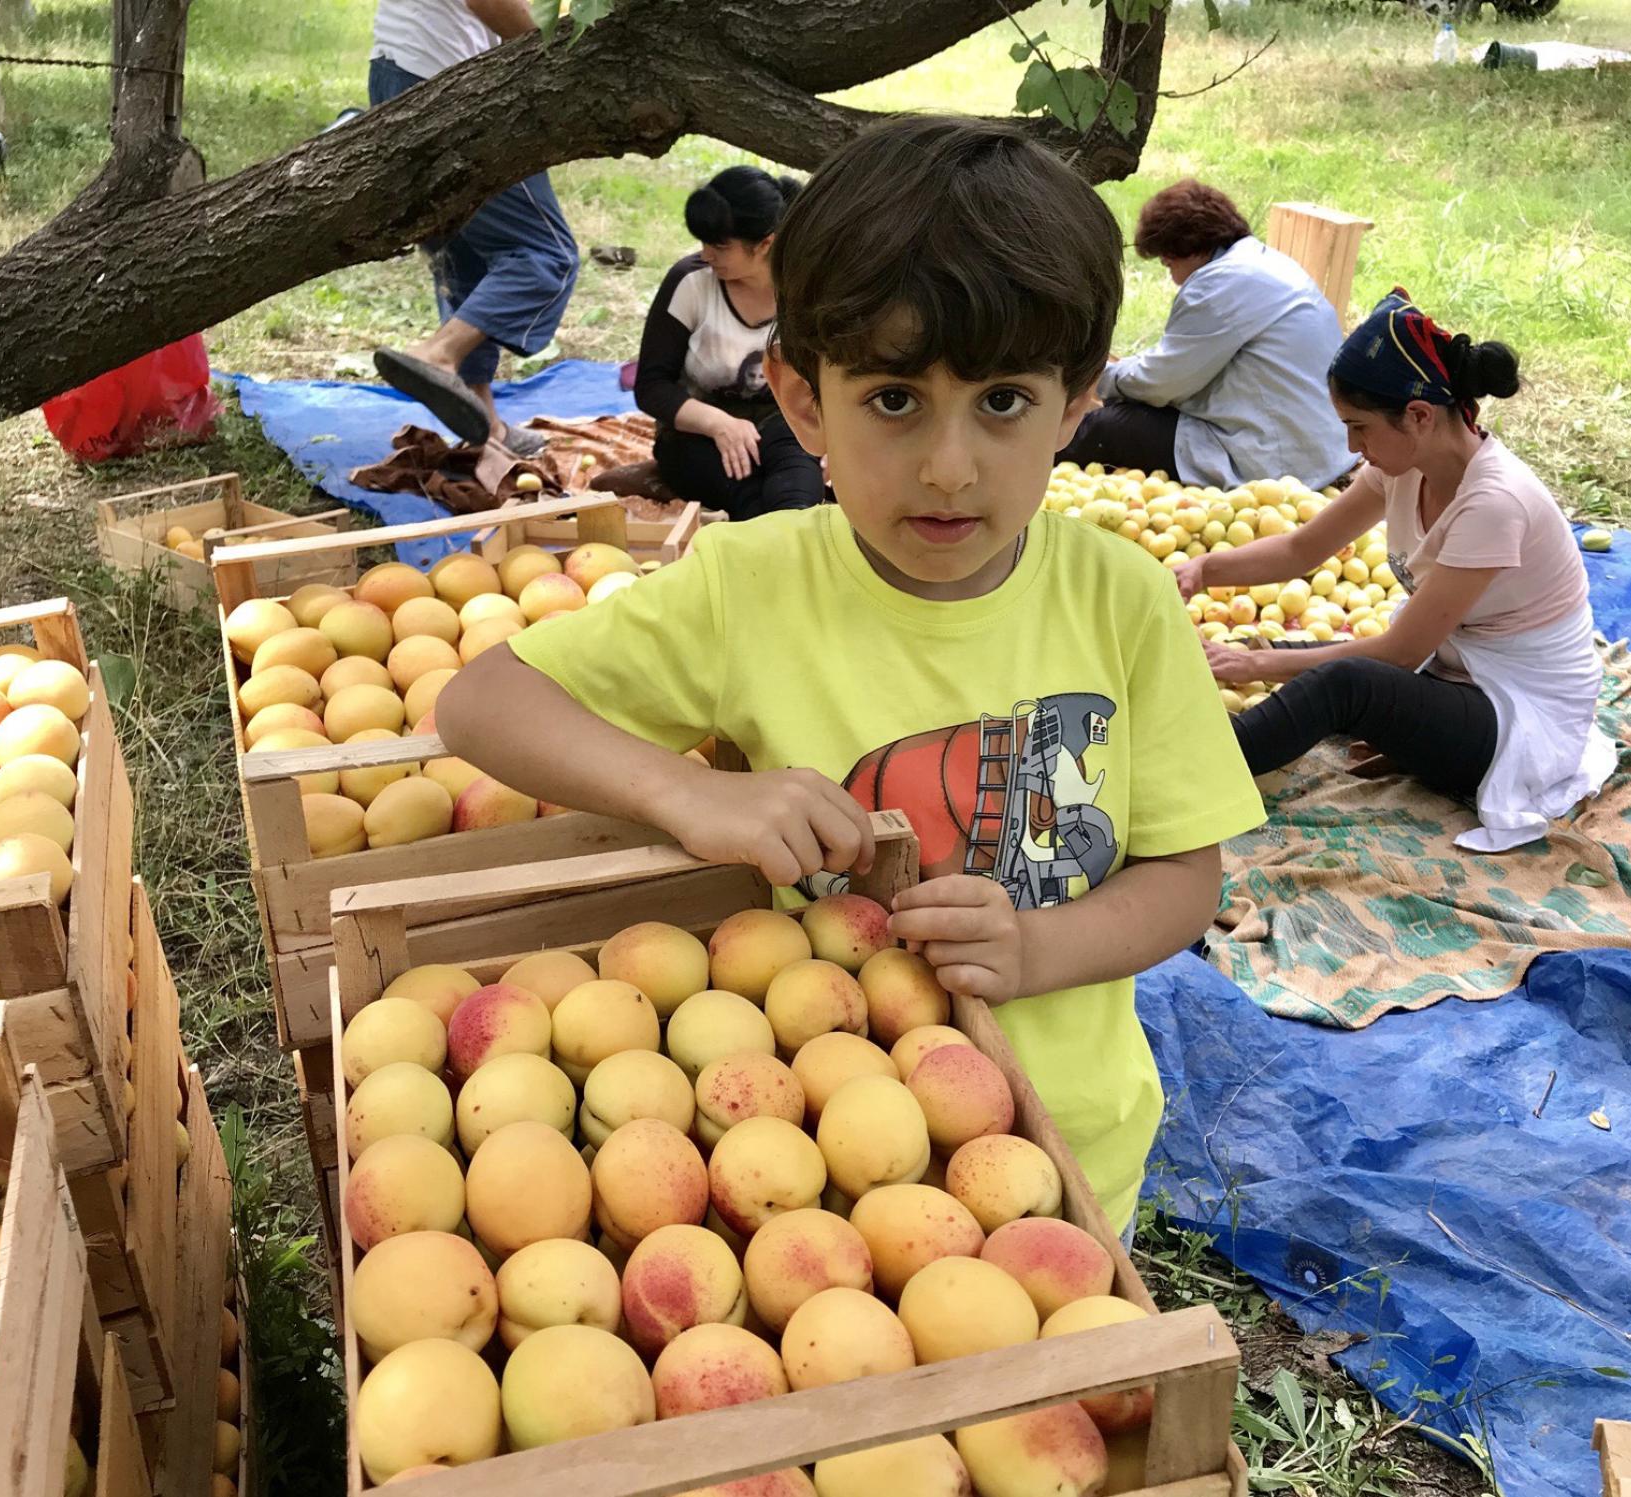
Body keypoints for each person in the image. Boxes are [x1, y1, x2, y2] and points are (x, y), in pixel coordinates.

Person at [437, 116, 1267, 1237]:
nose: (948, 467)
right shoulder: (752, 587)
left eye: (1005, 403)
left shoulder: (1123, 602)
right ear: (800, 399)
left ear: (1079, 405)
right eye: (892, 400)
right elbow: (480, 703)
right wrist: (689, 791)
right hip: (803, 1173)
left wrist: (1034, 949)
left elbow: (1185, 877)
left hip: (1059, 1159)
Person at [1176, 290, 1616, 852]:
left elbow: (1399, 654)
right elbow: (1301, 550)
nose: (1352, 447)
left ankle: (1184, 768)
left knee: (1342, 681)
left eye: (1359, 427)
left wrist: (1259, 663)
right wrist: (1202, 569)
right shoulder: (1403, 464)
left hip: (1520, 721)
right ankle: (1199, 726)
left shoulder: (1494, 502)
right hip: (1459, 674)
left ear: (1418, 415)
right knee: (1292, 655)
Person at [368, 0, 579, 457]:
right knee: (546, 255)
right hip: (440, 84)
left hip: (400, 73)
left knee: (467, 252)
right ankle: (438, 354)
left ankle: (486, 424)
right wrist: (559, 55)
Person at [1060, 180, 1354, 492]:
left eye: (1168, 263)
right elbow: (1184, 361)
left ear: (1186, 249)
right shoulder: (1268, 264)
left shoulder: (1216, 285)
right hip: (1321, 447)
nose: (1173, 278)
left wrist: (1098, 376)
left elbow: (1162, 382)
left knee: (1105, 428)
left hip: (1275, 462)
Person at [593, 167, 825, 521]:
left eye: (719, 246)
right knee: (748, 497)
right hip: (697, 429)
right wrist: (719, 424)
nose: (706, 254)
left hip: (784, 417)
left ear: (765, 244)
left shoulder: (806, 287)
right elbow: (652, 386)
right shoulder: (691, 281)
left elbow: (835, 372)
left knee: (797, 498)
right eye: (703, 242)